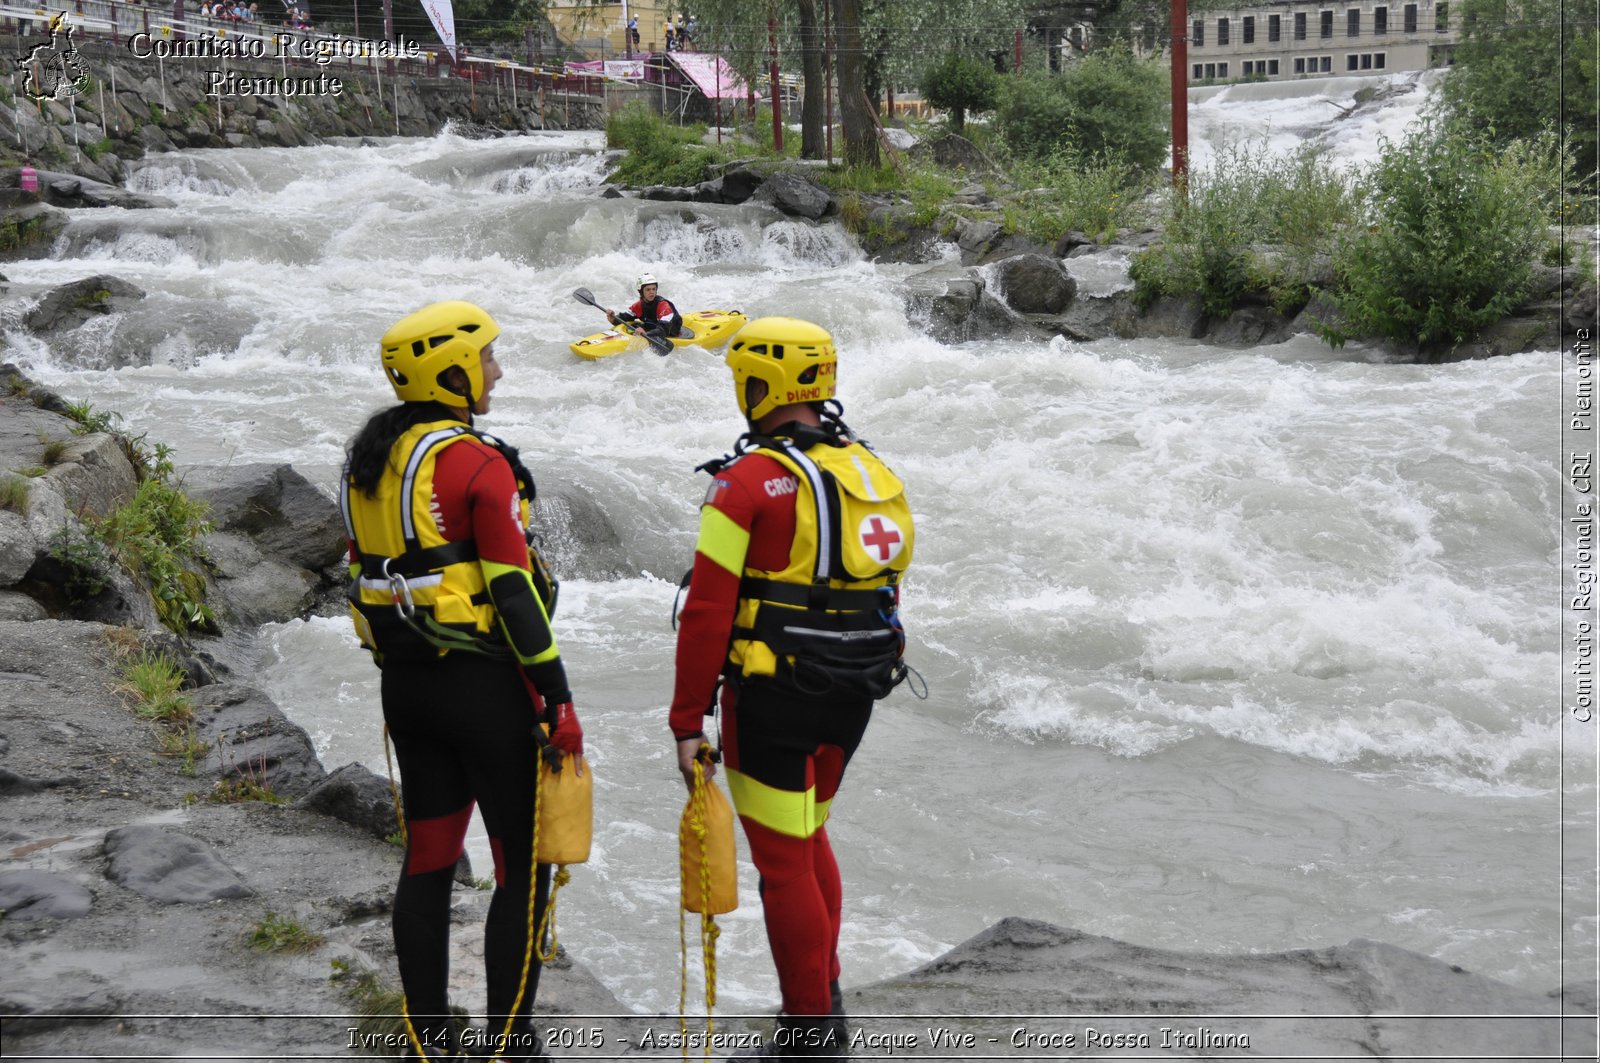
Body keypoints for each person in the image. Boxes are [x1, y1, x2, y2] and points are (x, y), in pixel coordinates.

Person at [668, 317, 915, 1061]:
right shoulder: (867, 467)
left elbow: (709, 609)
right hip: (856, 687)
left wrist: (687, 719)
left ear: (758, 387)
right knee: (807, 837)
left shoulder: (742, 483)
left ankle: (810, 1035)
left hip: (773, 695)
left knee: (782, 863)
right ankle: (826, 1002)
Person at [342, 301, 582, 1062]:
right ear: (449, 371)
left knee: (429, 858)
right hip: (484, 692)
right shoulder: (479, 462)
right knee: (523, 868)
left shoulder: (369, 459)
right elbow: (512, 592)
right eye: (486, 359)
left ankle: (428, 1034)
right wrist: (559, 695)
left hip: (407, 687)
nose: (497, 371)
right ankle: (511, 1042)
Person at [605, 272, 682, 340]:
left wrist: (646, 334)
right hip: (653, 327)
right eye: (648, 290)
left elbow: (664, 330)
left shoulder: (663, 306)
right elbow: (624, 318)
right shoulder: (639, 305)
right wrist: (613, 318)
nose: (652, 292)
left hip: (671, 331)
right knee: (634, 326)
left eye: (654, 289)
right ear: (641, 291)